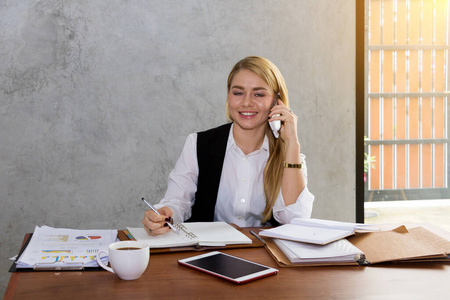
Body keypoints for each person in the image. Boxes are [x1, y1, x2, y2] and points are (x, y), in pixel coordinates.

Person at [142, 56, 314, 235]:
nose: (247, 102)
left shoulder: (288, 155)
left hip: (264, 257)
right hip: (208, 254)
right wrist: (165, 214)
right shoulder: (198, 144)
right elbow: (177, 202)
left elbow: (296, 221)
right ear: (228, 95)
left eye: (259, 94)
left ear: (277, 101)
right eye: (238, 93)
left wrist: (292, 143)